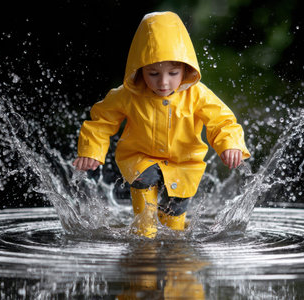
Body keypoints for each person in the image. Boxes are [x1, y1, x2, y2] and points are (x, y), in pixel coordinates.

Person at [73, 11, 250, 238]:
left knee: (175, 226)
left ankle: (174, 259)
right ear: (139, 69)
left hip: (184, 166)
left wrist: (230, 145)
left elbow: (222, 120)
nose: (163, 82)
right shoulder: (128, 94)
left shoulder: (197, 95)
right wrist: (91, 151)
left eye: (173, 73)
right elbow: (101, 121)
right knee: (145, 226)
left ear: (187, 69)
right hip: (140, 159)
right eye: (153, 73)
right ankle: (142, 241)